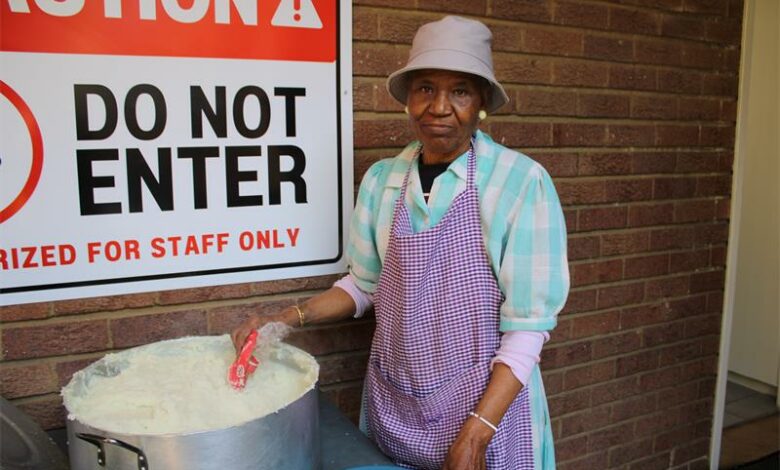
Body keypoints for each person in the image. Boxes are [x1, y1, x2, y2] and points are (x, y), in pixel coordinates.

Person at [232, 15, 569, 470]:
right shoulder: (383, 181)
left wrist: (476, 433)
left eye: (461, 91)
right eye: (426, 88)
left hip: (486, 413)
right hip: (400, 407)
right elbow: (364, 285)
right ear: (408, 98)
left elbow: (527, 327)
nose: (440, 107)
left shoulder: (518, 182)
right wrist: (284, 318)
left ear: (481, 104)